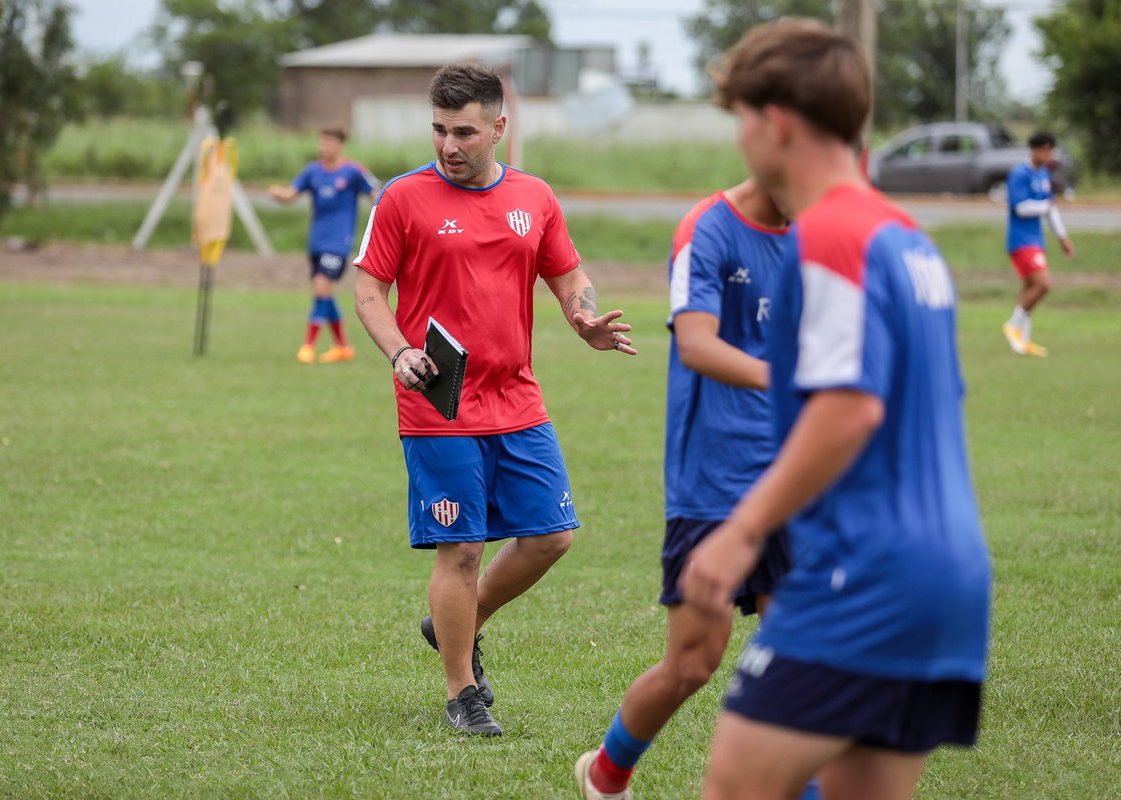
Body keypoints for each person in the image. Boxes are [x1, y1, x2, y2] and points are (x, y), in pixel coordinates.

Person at [679, 20, 992, 800]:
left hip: (867, 573)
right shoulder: (907, 238)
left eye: (743, 119)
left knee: (736, 787)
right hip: (949, 575)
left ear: (776, 121)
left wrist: (739, 534)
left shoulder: (830, 237)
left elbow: (849, 410)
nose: (743, 138)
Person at [352, 62, 636, 738]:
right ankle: (462, 691)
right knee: (463, 549)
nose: (449, 146)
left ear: (499, 128)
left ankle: (454, 621)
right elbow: (368, 290)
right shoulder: (402, 198)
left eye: (466, 132)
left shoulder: (534, 197)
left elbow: (568, 274)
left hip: (517, 398)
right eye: (440, 131)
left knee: (552, 536)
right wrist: (400, 353)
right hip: (439, 404)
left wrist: (584, 317)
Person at [576, 178, 810, 800]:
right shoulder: (707, 228)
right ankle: (606, 773)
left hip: (790, 473)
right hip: (712, 479)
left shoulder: (818, 234)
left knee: (805, 658)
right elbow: (698, 343)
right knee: (694, 663)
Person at [268, 125, 378, 364]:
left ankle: (308, 345)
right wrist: (279, 193)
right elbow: (290, 194)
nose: (323, 147)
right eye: (321, 142)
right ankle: (343, 346)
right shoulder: (313, 171)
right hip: (316, 241)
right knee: (325, 292)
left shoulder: (353, 171)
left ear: (340, 145)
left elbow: (377, 196)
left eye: (328, 143)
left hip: (339, 242)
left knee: (320, 286)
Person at [1001, 131, 1074, 357]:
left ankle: (1022, 341)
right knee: (1043, 284)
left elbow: (1050, 208)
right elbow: (1020, 207)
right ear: (1033, 150)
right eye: (1045, 150)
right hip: (1021, 241)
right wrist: (1045, 207)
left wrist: (1062, 237)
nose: (1048, 155)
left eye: (1050, 150)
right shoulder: (1019, 174)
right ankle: (1013, 326)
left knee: (1029, 289)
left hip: (1036, 240)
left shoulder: (1043, 173)